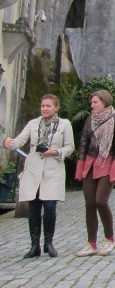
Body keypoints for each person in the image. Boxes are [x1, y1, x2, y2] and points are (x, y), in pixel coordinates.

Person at [3, 94, 74, 258]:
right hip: (34, 168)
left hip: (53, 168)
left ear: (56, 107)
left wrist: (55, 152)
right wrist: (8, 142)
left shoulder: (64, 125)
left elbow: (70, 147)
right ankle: (34, 246)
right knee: (34, 208)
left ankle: (48, 243)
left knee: (50, 208)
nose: (45, 108)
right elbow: (19, 141)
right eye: (43, 106)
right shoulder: (33, 124)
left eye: (48, 106)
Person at [74, 90, 115, 257]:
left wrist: (114, 169)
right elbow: (83, 144)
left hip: (107, 162)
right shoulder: (90, 120)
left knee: (101, 202)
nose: (92, 105)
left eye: (95, 102)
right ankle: (91, 244)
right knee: (89, 204)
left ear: (105, 102)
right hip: (90, 163)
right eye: (92, 103)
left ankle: (109, 239)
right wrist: (80, 167)